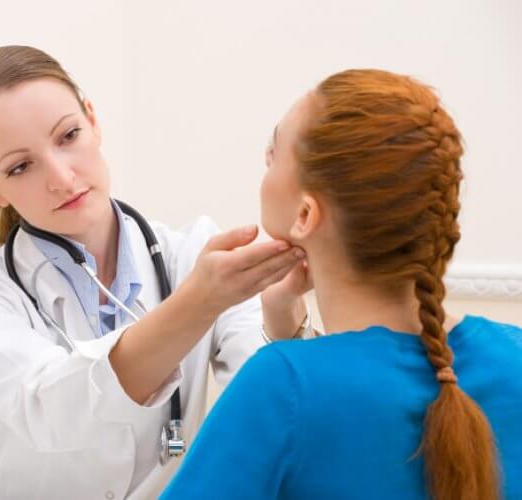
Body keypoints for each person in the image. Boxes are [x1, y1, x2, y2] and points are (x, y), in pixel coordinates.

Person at [0, 45, 313, 500]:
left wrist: (281, 308)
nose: (61, 176)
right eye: (20, 166)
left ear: (92, 120)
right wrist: (197, 302)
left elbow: (274, 404)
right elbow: (50, 409)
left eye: (68, 135)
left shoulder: (191, 256)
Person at [162, 69, 522, 500]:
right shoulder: (513, 356)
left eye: (273, 154)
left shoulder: (281, 386)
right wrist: (288, 327)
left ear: (305, 216)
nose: (265, 165)